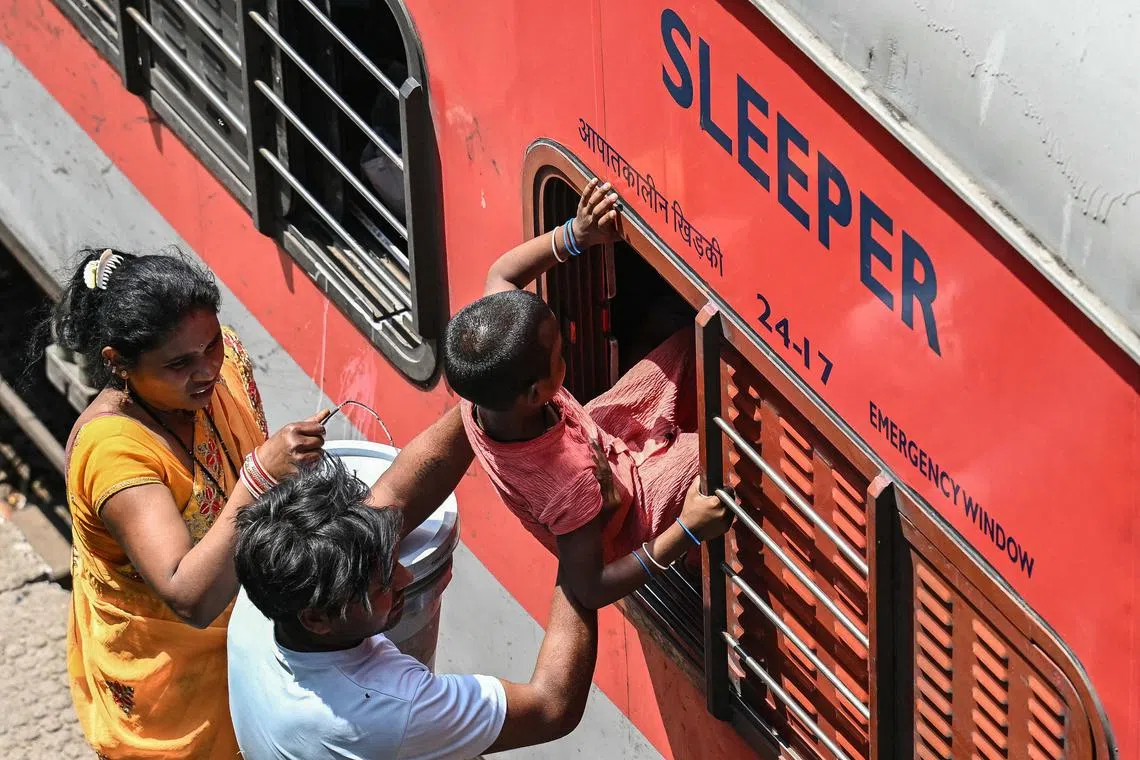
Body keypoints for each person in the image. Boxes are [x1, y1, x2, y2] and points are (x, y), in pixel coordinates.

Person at [227, 440, 730, 759]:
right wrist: (581, 531)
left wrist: (480, 406)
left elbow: (395, 496)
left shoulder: (265, 594)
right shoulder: (386, 712)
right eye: (380, 585)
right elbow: (552, 706)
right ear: (317, 618)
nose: (402, 580)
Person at [48, 248, 328, 758]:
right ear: (118, 364)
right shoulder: (115, 451)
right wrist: (262, 477)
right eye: (179, 364)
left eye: (212, 346)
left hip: (248, 641)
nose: (208, 372)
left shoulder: (225, 363)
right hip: (173, 690)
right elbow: (190, 596)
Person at [443, 179, 729, 609]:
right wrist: (684, 530)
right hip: (631, 510)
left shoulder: (487, 384)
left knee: (696, 346)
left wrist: (577, 234)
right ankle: (696, 554)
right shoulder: (568, 485)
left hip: (600, 437)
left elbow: (500, 274)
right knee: (720, 449)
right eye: (560, 355)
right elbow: (590, 588)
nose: (567, 354)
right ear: (538, 391)